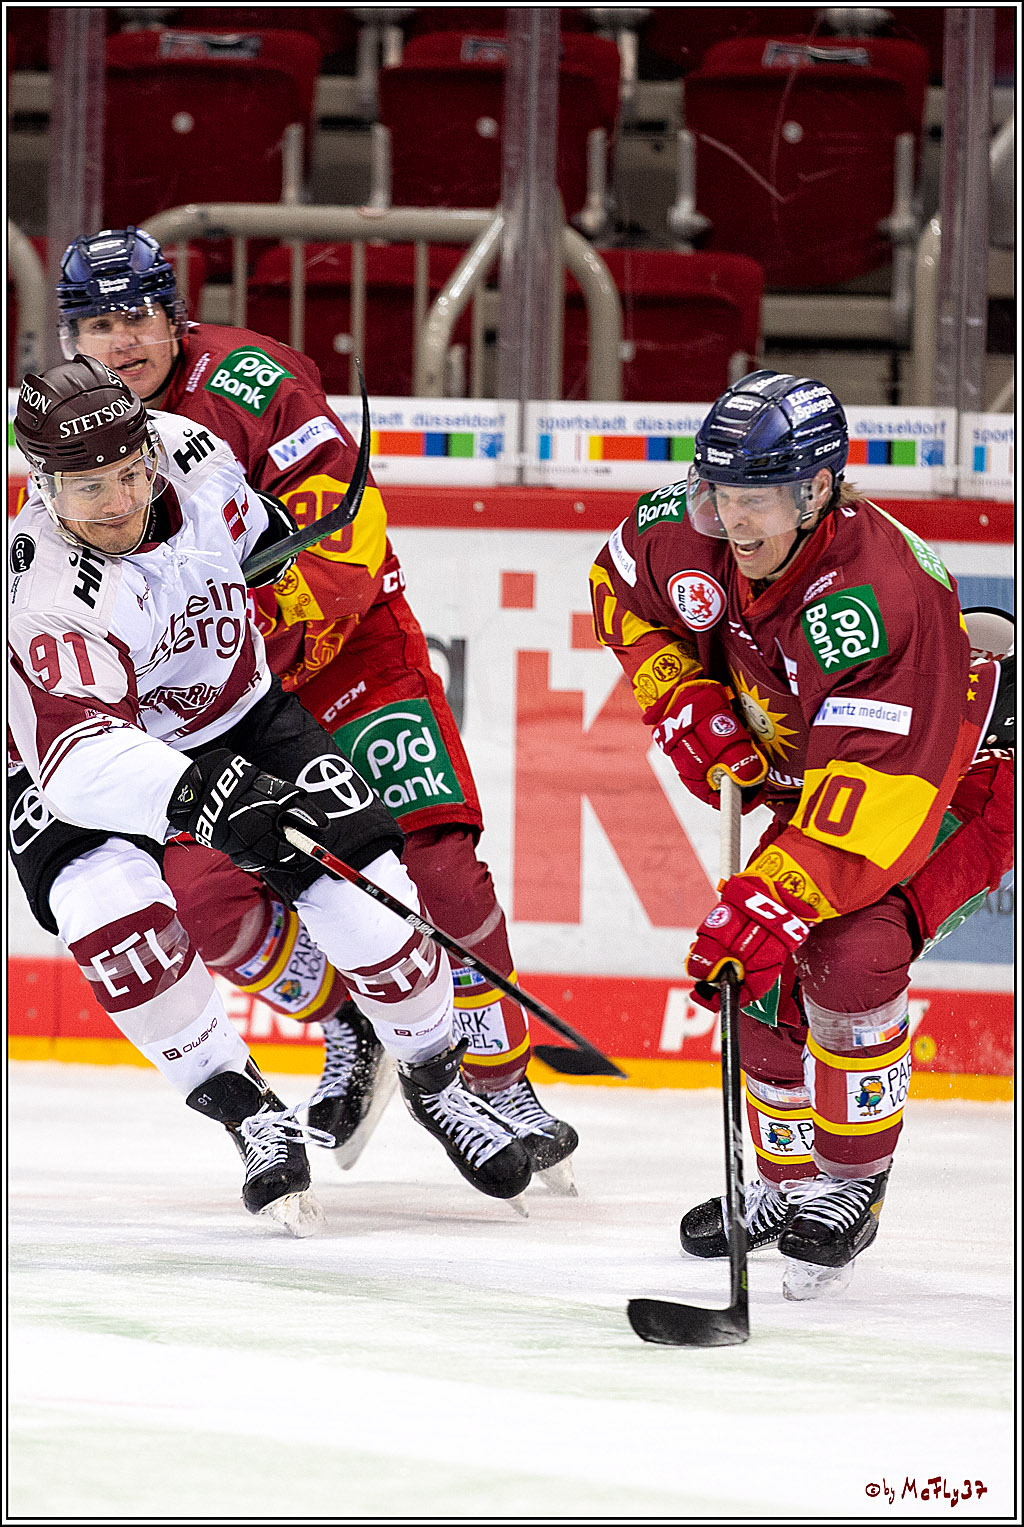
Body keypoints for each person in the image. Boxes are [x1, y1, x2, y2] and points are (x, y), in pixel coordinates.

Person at [44, 224, 578, 1188]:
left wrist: (248, 622)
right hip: (204, 698)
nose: (119, 343)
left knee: (435, 860)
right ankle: (348, 1024)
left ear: (173, 313)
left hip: (344, 658)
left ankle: (495, 1083)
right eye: (95, 325)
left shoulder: (252, 384)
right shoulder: (79, 437)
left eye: (135, 317)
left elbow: (350, 531)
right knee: (208, 907)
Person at [589, 370, 1014, 1298]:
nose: (731, 522)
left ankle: (852, 1184)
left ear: (818, 489)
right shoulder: (689, 526)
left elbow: (872, 803)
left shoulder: (874, 598)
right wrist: (686, 698)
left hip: (954, 777)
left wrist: (773, 898)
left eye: (756, 501)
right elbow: (619, 590)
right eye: (718, 492)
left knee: (849, 948)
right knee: (761, 968)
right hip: (822, 777)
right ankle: (784, 1185)